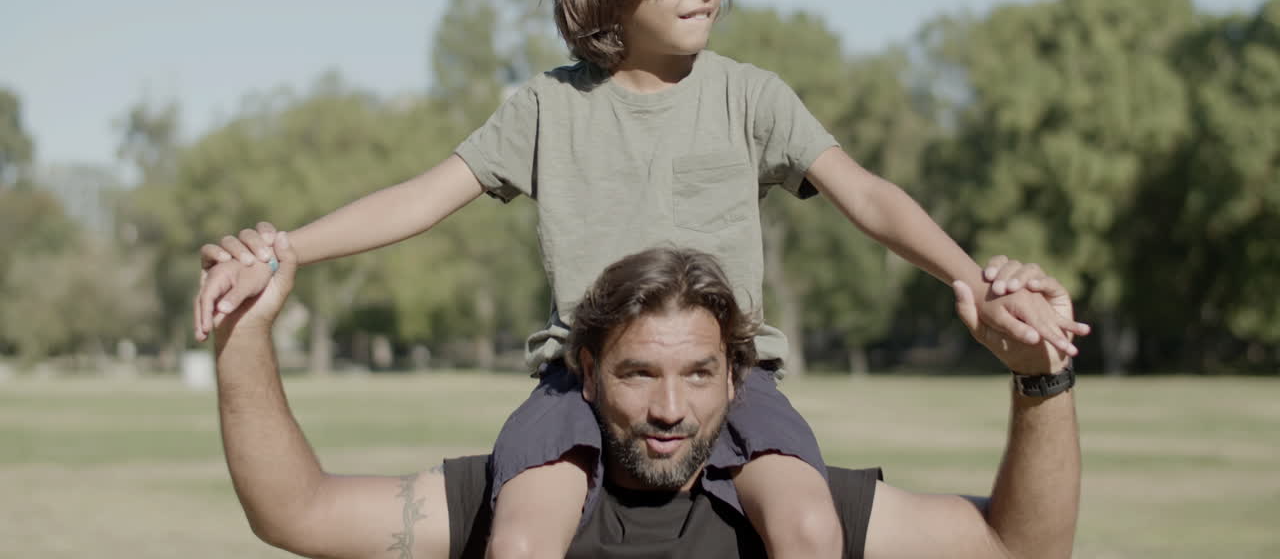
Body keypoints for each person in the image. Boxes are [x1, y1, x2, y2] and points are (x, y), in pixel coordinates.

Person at [195, 0, 1087, 559]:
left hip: (734, 378)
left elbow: (869, 197)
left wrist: (976, 279)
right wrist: (284, 250)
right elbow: (420, 198)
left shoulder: (751, 97)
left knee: (810, 526)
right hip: (575, 382)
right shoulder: (546, 108)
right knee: (521, 535)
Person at [213, 240, 1080, 559]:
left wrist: (1042, 379)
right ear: (587, 373)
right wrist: (244, 336)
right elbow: (296, 512)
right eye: (637, 375)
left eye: (698, 374)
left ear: (736, 378)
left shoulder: (788, 507)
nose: (671, 408)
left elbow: (1021, 548)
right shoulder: (512, 497)